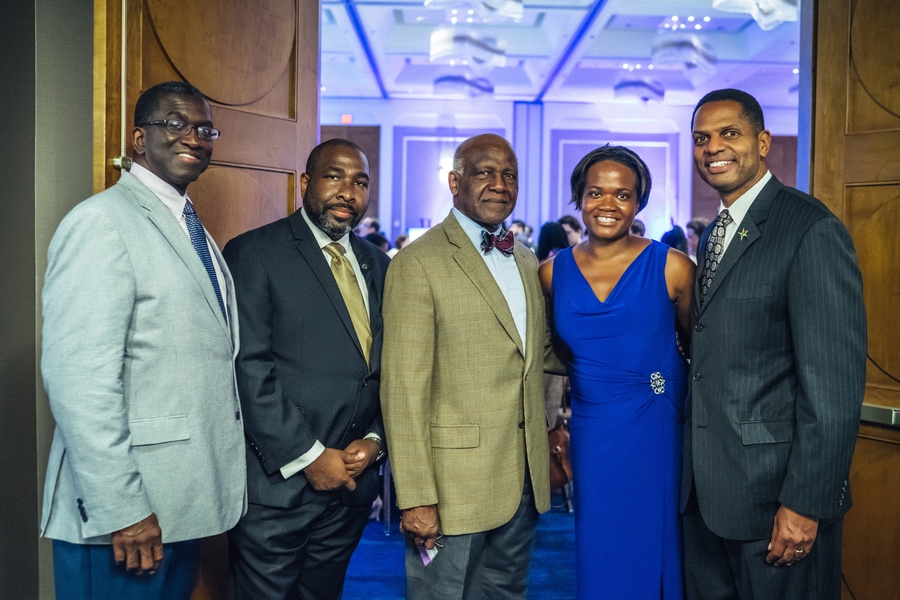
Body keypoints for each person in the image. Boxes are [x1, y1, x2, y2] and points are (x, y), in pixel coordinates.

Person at [39, 81, 246, 600]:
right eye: (176, 124)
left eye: (205, 128)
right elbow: (79, 382)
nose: (194, 137)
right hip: (125, 517)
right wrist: (124, 509)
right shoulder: (100, 222)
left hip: (178, 502)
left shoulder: (189, 226)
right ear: (138, 138)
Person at [682, 88, 866, 600]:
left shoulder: (810, 229)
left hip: (777, 504)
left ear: (762, 142)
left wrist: (806, 504)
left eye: (729, 134)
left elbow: (832, 390)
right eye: (702, 138)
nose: (713, 147)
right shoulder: (715, 231)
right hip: (706, 497)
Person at [381, 133, 551, 599]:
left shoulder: (523, 257)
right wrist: (415, 495)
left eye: (509, 175)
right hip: (449, 489)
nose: (499, 184)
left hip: (520, 481)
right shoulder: (418, 263)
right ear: (455, 182)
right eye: (485, 172)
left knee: (503, 594)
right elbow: (403, 390)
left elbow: (535, 353)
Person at [223, 139, 390, 600]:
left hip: (350, 490)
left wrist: (376, 441)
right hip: (278, 490)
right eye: (334, 176)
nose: (347, 192)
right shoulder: (255, 252)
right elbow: (247, 367)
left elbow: (394, 370)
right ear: (305, 183)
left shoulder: (380, 264)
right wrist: (310, 456)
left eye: (360, 182)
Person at [539, 145, 694, 599]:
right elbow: (547, 355)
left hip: (657, 421)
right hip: (593, 425)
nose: (607, 205)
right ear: (579, 198)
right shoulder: (551, 274)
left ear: (639, 203)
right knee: (601, 539)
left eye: (622, 195)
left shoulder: (673, 267)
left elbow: (700, 350)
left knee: (656, 535)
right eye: (595, 193)